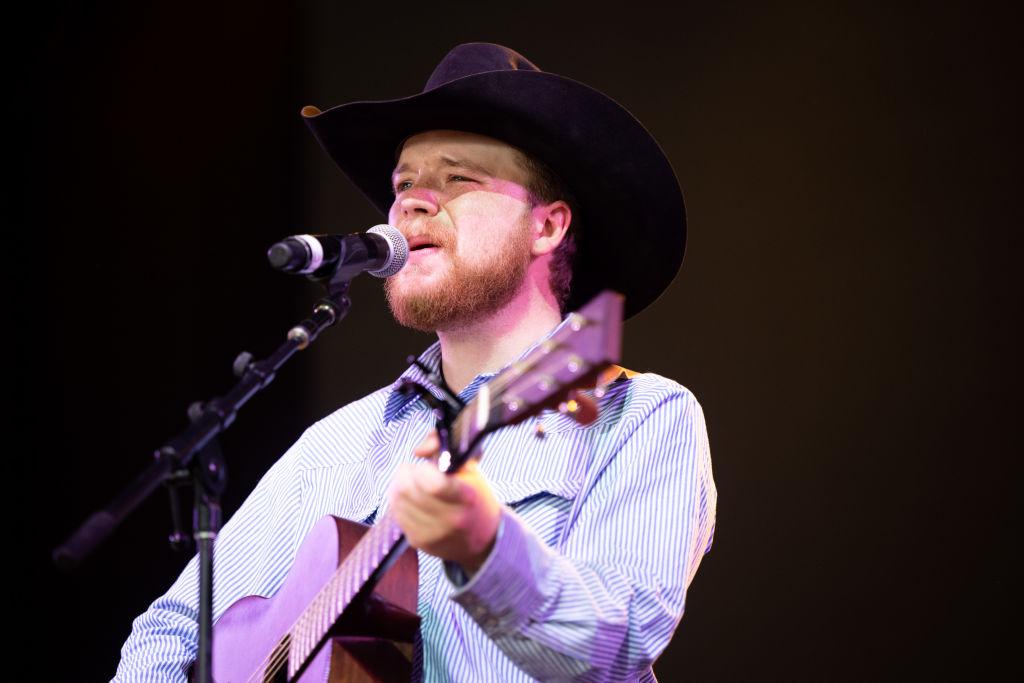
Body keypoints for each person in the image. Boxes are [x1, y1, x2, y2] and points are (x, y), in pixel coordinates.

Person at [113, 42, 717, 682]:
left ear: (547, 228)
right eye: (404, 183)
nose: (411, 202)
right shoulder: (340, 440)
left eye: (458, 178)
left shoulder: (640, 416)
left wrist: (488, 549)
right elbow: (172, 631)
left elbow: (614, 651)